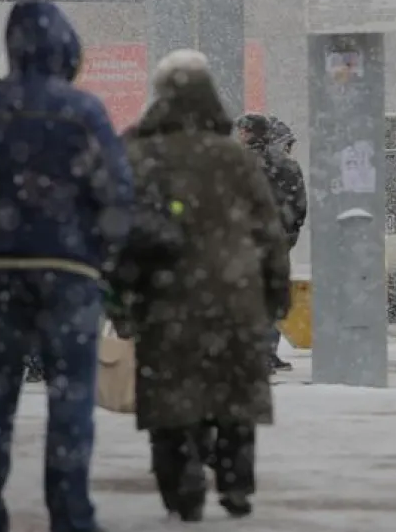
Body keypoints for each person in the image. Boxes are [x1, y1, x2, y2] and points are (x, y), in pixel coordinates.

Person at [0, 0, 133, 532]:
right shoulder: (85, 112)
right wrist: (98, 251)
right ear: (65, 48)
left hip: (2, 271)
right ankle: (70, 513)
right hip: (71, 274)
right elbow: (118, 195)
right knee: (70, 395)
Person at [109, 49, 289, 521]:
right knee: (233, 396)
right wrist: (275, 293)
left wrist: (121, 305)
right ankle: (235, 482)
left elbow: (118, 237)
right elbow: (268, 231)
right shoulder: (235, 157)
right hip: (235, 294)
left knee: (171, 398)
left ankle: (181, 483)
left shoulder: (140, 154)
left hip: (164, 299)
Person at [234, 114, 305, 372]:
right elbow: (299, 207)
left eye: (243, 132)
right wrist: (288, 234)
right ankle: (269, 352)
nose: (240, 136)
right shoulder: (286, 165)